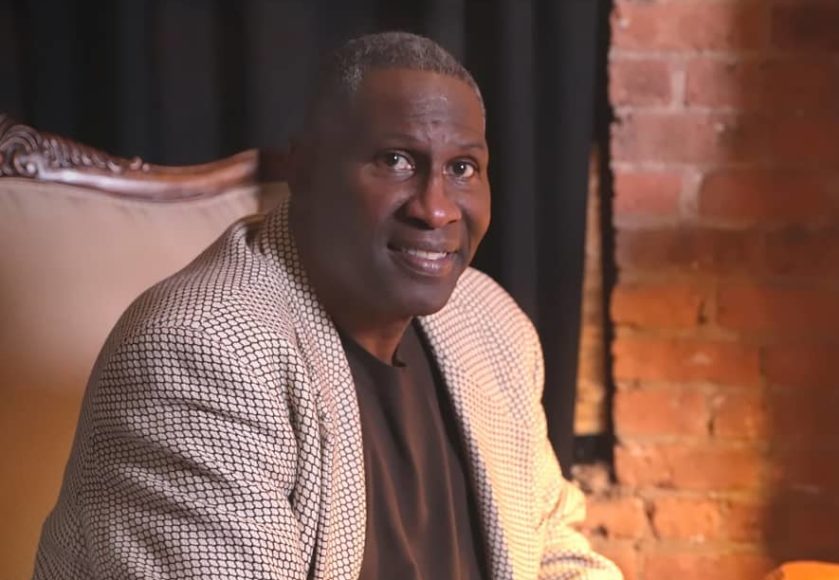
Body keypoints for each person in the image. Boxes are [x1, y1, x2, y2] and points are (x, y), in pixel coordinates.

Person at [32, 32, 621, 579]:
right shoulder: (203, 352)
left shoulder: (490, 322)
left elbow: (553, 551)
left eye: (462, 168)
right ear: (305, 170)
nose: (436, 209)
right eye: (396, 160)